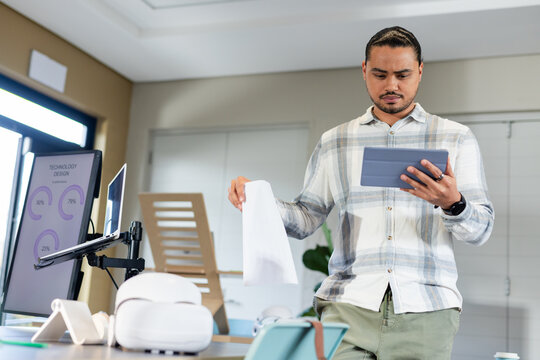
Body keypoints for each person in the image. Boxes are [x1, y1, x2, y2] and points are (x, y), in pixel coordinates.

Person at [228, 26, 494, 360]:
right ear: (364, 71)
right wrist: (258, 201)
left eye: (403, 74)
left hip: (427, 312)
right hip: (348, 307)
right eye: (380, 74)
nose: (391, 85)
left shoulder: (456, 138)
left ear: (421, 71)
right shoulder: (334, 142)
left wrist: (453, 203)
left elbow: (481, 229)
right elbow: (306, 219)